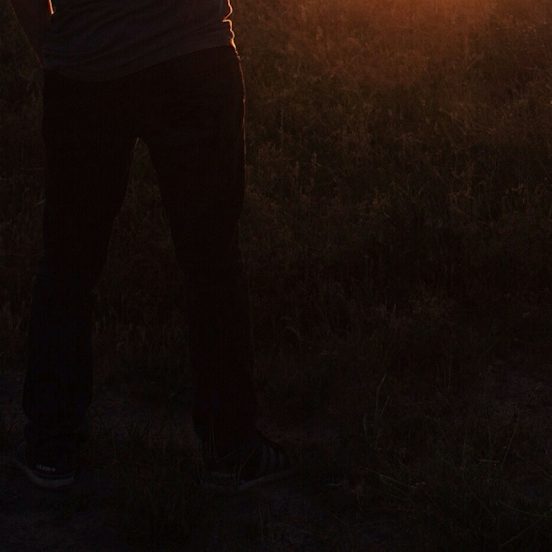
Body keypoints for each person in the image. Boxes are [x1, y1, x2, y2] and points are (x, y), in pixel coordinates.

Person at [9, 0, 294, 492]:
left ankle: (52, 446)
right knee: (211, 261)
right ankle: (230, 447)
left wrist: (57, 46)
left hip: (87, 68)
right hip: (192, 60)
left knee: (69, 263)